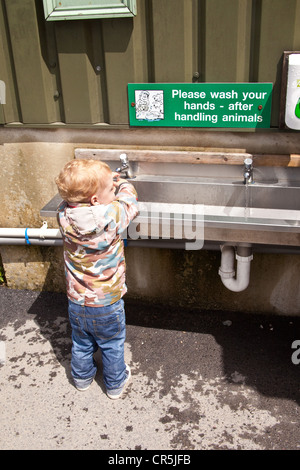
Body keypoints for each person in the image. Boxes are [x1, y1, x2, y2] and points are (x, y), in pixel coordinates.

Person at [55, 159, 138, 399]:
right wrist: (122, 183)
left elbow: (71, 199)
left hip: (77, 301)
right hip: (107, 303)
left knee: (81, 342)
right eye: (109, 190)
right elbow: (130, 202)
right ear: (94, 200)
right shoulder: (112, 215)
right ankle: (115, 384)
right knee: (112, 344)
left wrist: (95, 184)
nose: (113, 192)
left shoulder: (63, 214)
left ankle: (81, 378)